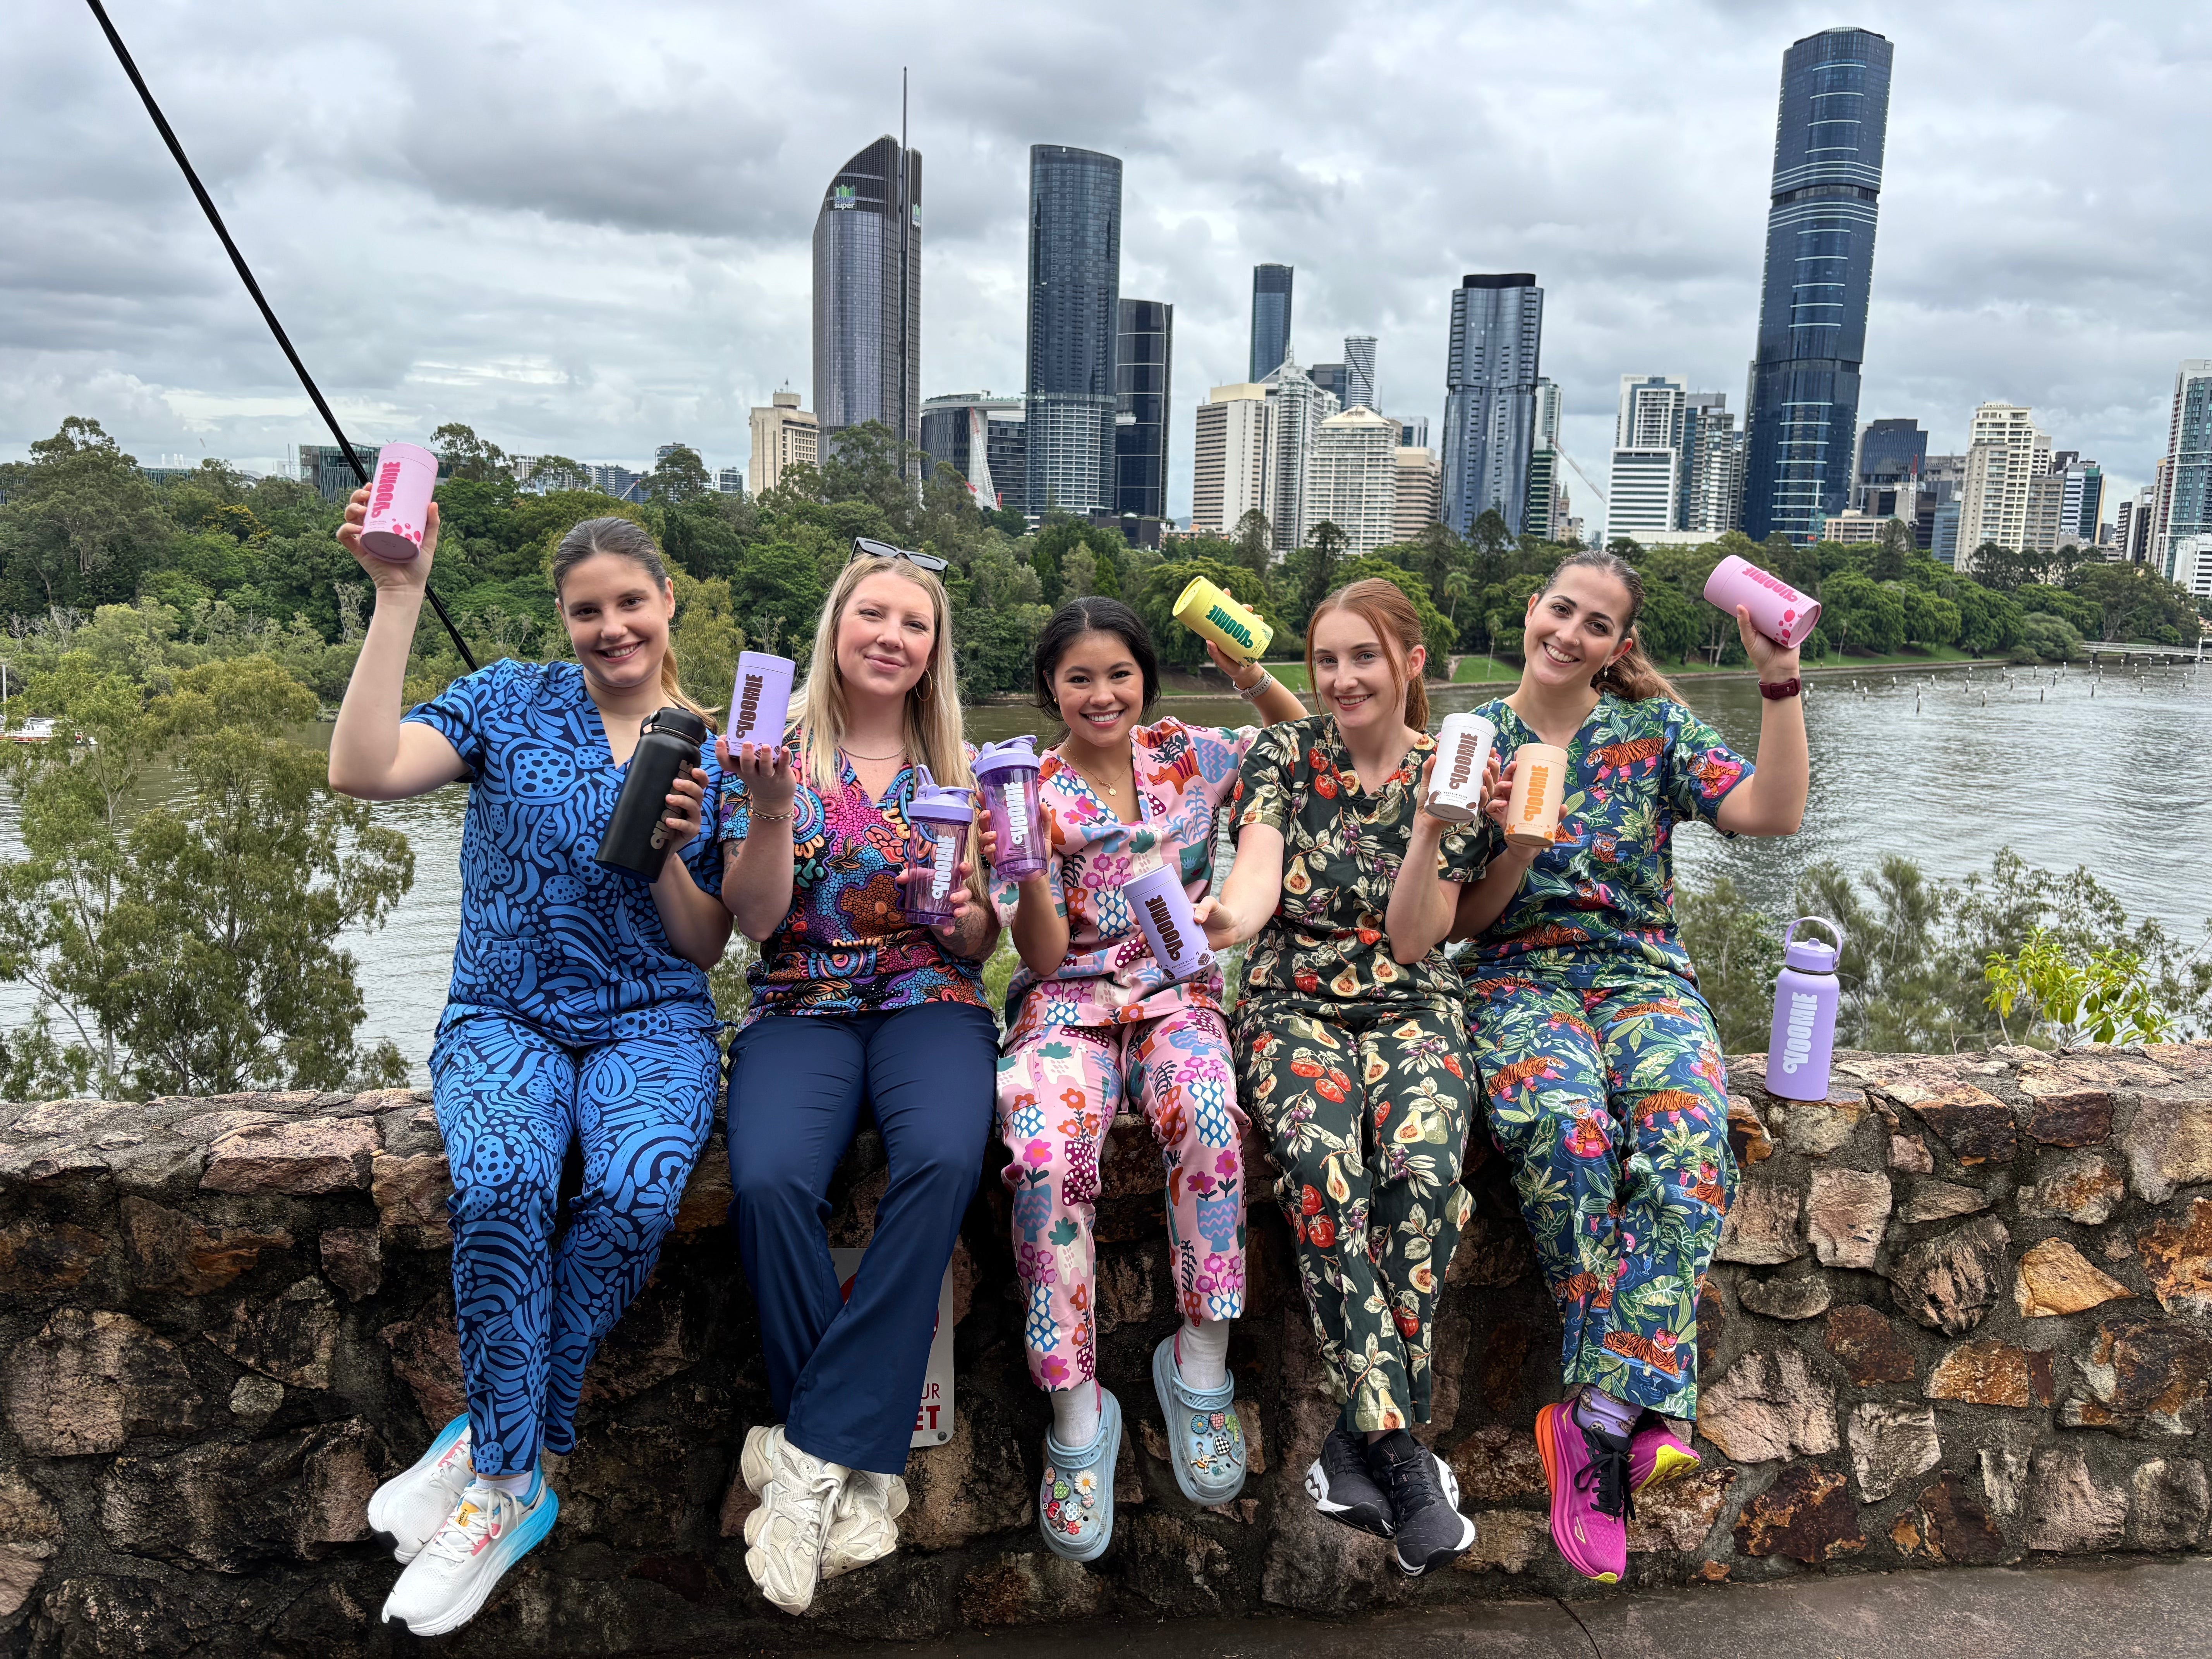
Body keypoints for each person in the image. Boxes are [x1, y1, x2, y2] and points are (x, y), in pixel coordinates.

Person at [332, 508, 732, 1638]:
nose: (612, 626)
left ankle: (487, 1432)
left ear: (668, 603)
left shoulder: (712, 741)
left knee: (635, 1188)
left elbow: (707, 946)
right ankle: (514, 1484)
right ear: (565, 618)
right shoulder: (510, 699)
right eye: (587, 608)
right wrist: (398, 596)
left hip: (651, 1017)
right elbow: (363, 769)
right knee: (504, 1183)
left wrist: (666, 851)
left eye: (630, 602)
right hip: (505, 1012)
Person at [1426, 549, 1808, 1586]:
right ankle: (1653, 1400)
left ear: (1617, 646)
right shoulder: (1469, 742)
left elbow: (1772, 813)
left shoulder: (1653, 732)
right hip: (1515, 977)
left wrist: (1778, 675)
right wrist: (1502, 839)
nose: (1571, 633)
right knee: (1564, 1131)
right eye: (1561, 609)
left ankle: (1592, 1419)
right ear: (1530, 611)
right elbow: (1449, 923)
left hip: (1643, 973)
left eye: (1598, 624)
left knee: (1688, 1133)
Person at [986, 598, 1305, 1561]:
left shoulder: (1192, 754)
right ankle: (1075, 1408)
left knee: (1213, 1120)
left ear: (1147, 680)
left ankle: (1198, 1355)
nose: (1101, 694)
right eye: (1079, 677)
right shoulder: (1023, 789)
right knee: (1043, 1158)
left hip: (1179, 1000)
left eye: (1118, 674)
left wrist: (1249, 674)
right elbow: (1038, 957)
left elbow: (1304, 745)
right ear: (1051, 687)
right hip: (1068, 1008)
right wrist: (1028, 868)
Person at [717, 543, 1000, 1616]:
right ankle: (849, 1466)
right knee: (772, 1182)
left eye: (913, 624)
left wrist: (965, 895)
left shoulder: (969, 771)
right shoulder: (770, 748)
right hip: (801, 1001)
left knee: (940, 1157)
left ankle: (798, 1463)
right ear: (837, 626)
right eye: (871, 615)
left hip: (931, 997)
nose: (890, 636)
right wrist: (775, 810)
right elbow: (750, 921)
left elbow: (977, 945)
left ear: (933, 652)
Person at [1198, 577, 1491, 1578]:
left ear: (1409, 662)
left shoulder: (1453, 768)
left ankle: (1359, 1439)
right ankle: (1400, 1451)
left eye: (1363, 656)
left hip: (1411, 1001)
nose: (1340, 678)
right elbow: (1260, 869)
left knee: (1420, 1168)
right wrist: (1225, 921)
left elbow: (1416, 937)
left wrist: (1429, 829)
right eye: (1325, 659)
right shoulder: (1284, 752)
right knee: (1325, 1170)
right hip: (1293, 1004)